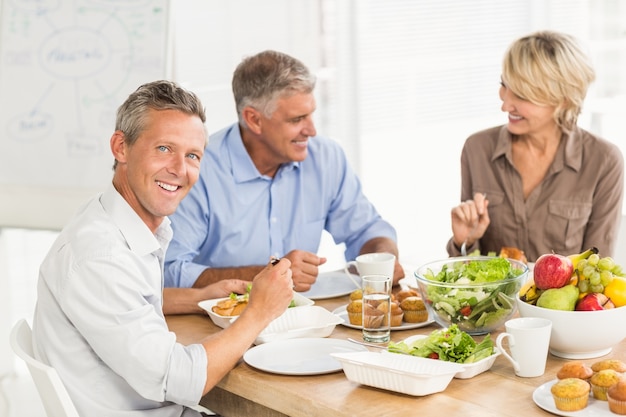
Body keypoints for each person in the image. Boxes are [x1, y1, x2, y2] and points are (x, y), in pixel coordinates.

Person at [32, 80, 294, 417]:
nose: (180, 170)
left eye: (192, 156)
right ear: (120, 147)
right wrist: (260, 310)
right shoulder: (99, 256)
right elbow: (181, 379)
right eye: (164, 149)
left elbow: (128, 299)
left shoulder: (109, 222)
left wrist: (200, 299)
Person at [164, 50, 404, 290]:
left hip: (305, 317)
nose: (311, 130)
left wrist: (382, 256)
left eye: (311, 115)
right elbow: (170, 270)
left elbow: (365, 230)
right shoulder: (198, 168)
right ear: (254, 120)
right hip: (217, 319)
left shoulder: (326, 157)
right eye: (296, 119)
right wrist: (271, 274)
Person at [447, 30, 624, 262]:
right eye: (504, 84)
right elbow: (470, 275)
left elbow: (596, 272)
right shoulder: (477, 149)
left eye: (521, 94)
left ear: (564, 99)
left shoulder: (604, 162)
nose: (505, 104)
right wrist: (465, 242)